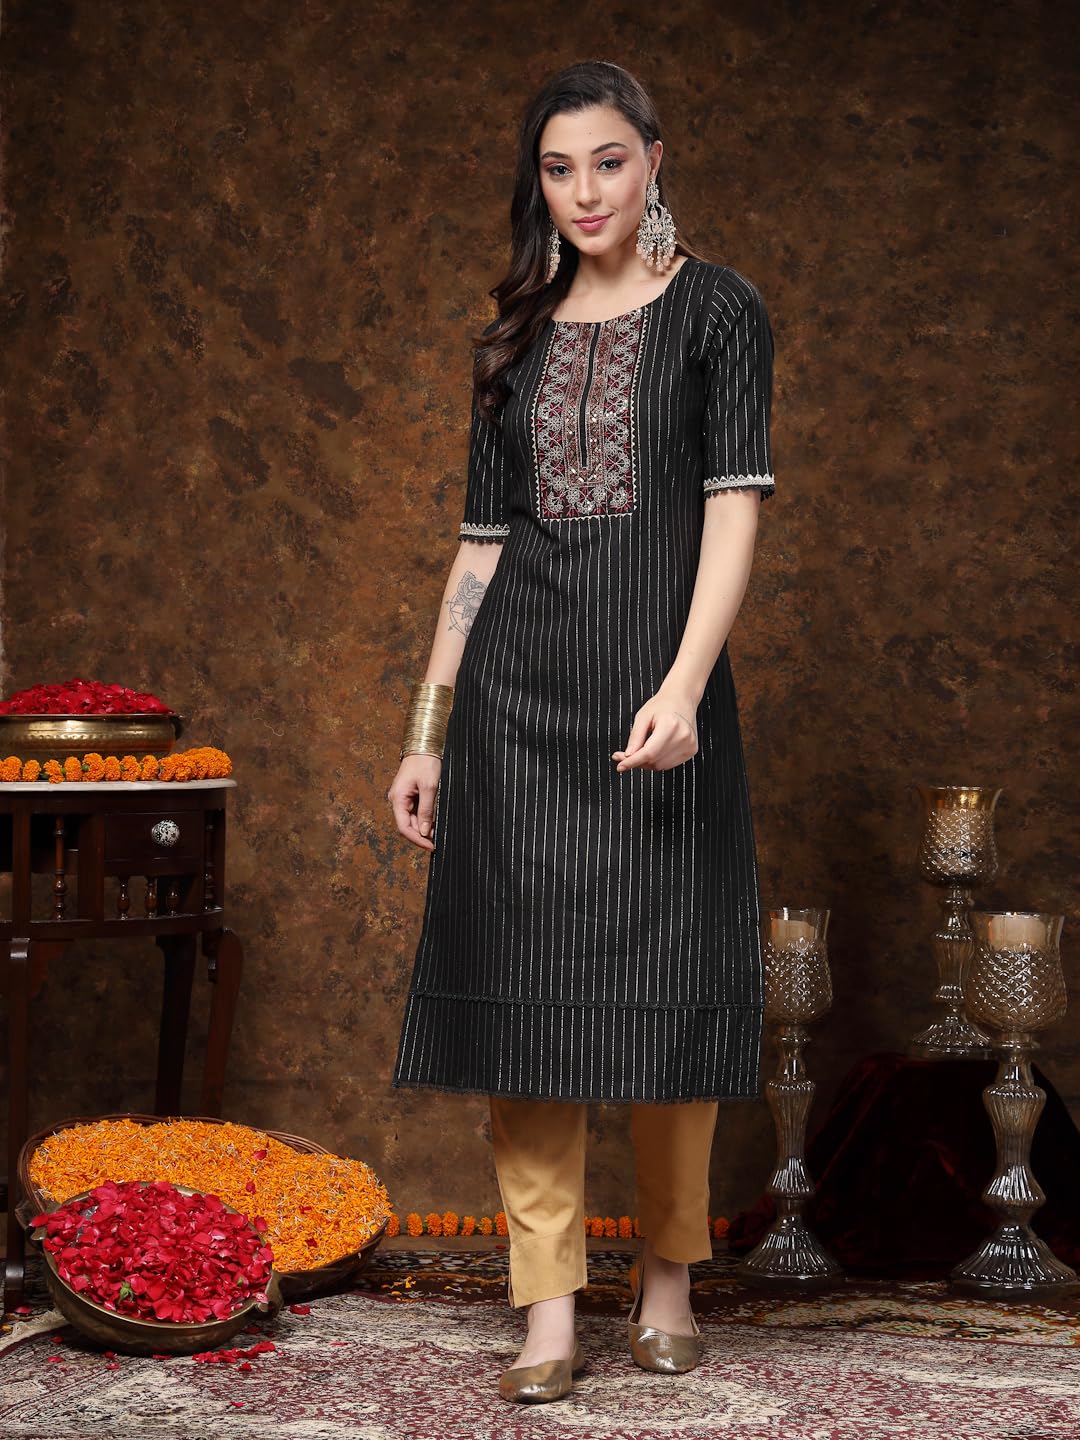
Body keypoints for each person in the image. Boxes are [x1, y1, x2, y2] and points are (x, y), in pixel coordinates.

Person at [387, 59, 775, 1405]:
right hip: (516, 707)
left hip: (661, 700)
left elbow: (733, 507)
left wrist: (686, 684)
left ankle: (668, 1279)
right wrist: (429, 729)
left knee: (670, 990)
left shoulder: (720, 311)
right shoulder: (512, 339)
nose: (586, 191)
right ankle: (546, 1306)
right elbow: (478, 547)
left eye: (609, 161)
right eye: (559, 169)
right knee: (526, 1006)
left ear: (655, 159)